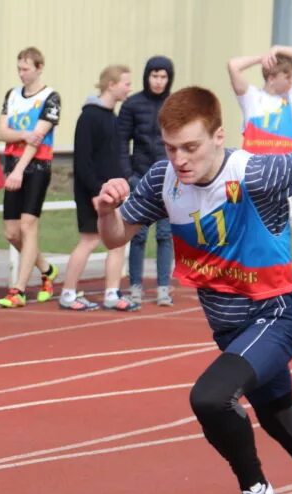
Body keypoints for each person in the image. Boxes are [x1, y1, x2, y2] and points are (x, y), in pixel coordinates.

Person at [95, 86, 292, 494]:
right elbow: (117, 239)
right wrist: (105, 211)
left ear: (219, 136)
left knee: (211, 397)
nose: (180, 159)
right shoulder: (164, 179)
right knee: (279, 416)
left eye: (192, 147)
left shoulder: (258, 172)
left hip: (278, 313)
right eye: (171, 147)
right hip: (232, 328)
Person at [60, 65, 137, 312]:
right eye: (126, 83)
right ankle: (68, 293)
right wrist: (96, 191)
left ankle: (112, 293)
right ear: (111, 85)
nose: (129, 88)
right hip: (91, 192)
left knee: (118, 241)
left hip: (113, 192)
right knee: (89, 240)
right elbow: (82, 161)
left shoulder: (114, 119)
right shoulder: (89, 117)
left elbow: (113, 158)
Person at [0, 47, 61, 308]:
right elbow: (1, 132)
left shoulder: (51, 98)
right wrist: (22, 135)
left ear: (39, 67)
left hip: (36, 168)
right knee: (11, 233)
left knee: (27, 225)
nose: (21, 74)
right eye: (19, 69)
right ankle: (47, 269)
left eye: (26, 69)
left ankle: (18, 289)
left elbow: (38, 138)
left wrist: (21, 170)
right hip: (12, 165)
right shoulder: (11, 96)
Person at [118, 56, 175, 307]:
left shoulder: (175, 104)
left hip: (169, 178)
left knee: (165, 234)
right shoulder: (132, 105)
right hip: (139, 177)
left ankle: (163, 286)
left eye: (163, 77)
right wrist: (127, 174)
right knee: (137, 235)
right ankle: (135, 287)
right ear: (147, 76)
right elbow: (121, 141)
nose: (159, 81)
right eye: (154, 76)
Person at [228, 45, 292, 155]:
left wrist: (278, 49)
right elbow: (233, 65)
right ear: (271, 79)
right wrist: (261, 59)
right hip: (254, 170)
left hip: (284, 171)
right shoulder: (251, 97)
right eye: (287, 77)